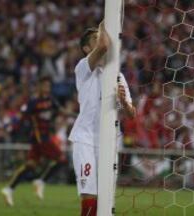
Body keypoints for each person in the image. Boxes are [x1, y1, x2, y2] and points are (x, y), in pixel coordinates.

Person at [68, 21, 135, 216]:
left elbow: (131, 114)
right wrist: (105, 21)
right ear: (86, 49)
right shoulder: (83, 69)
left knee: (106, 197)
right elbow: (105, 46)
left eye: (101, 36)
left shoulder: (118, 76)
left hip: (109, 142)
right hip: (85, 139)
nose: (102, 41)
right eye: (95, 39)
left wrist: (122, 100)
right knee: (89, 193)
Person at [1, 76, 66, 206]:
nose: (47, 88)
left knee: (30, 165)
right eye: (45, 85)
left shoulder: (51, 101)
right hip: (41, 138)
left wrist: (78, 115)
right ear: (39, 87)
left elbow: (61, 111)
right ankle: (40, 181)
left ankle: (9, 189)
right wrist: (11, 127)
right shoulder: (33, 103)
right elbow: (22, 117)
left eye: (49, 86)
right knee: (62, 159)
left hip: (41, 139)